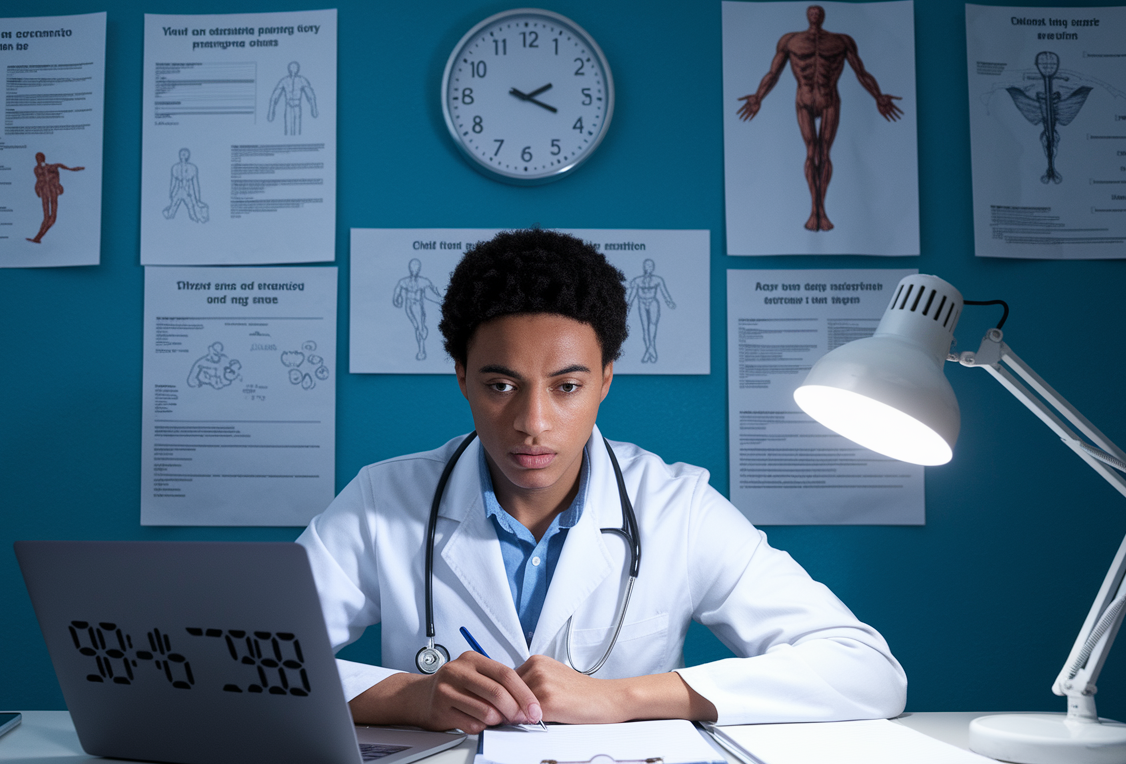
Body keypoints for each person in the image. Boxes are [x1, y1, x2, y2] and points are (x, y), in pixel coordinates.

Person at [298, 229, 905, 733]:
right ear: (461, 378)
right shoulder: (384, 500)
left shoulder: (678, 508)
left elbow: (868, 671)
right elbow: (250, 666)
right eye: (500, 385)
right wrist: (411, 697)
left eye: (567, 387)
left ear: (606, 379)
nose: (532, 424)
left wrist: (626, 698)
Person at [737, 5, 902, 232]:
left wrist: (878, 96)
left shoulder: (841, 41)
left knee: (824, 153)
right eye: (812, 12)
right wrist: (758, 96)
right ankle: (814, 212)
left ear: (823, 16)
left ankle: (821, 211)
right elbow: (773, 73)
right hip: (804, 99)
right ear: (807, 15)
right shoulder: (790, 41)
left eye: (818, 12)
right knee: (811, 152)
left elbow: (861, 72)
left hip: (829, 100)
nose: (815, 15)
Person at [392, 258, 444, 361]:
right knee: (417, 326)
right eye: (412, 268)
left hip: (417, 306)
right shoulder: (405, 281)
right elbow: (398, 288)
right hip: (409, 306)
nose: (414, 270)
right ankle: (423, 330)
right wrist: (396, 298)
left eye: (416, 268)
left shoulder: (423, 281)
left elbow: (433, 291)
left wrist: (441, 298)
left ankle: (421, 350)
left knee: (419, 327)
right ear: (410, 268)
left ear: (419, 269)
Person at [26, 153, 83, 244]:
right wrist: (37, 188)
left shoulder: (52, 166)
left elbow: (63, 166)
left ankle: (38, 237)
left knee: (52, 217)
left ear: (43, 158)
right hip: (44, 190)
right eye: (37, 158)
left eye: (40, 158)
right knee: (46, 217)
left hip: (53, 190)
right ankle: (37, 237)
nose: (38, 160)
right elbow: (38, 179)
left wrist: (74, 169)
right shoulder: (36, 169)